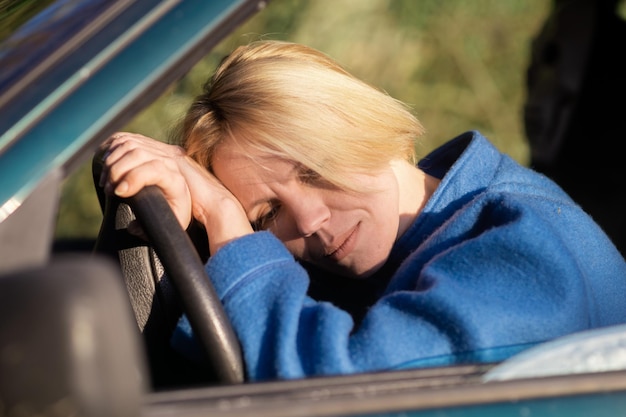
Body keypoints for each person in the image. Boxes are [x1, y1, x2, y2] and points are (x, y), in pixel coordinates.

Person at [100, 40, 626, 381]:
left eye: (311, 169)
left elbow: (353, 390)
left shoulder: (519, 249)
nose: (307, 221)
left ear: (358, 127)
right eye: (267, 214)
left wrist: (227, 218)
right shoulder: (431, 230)